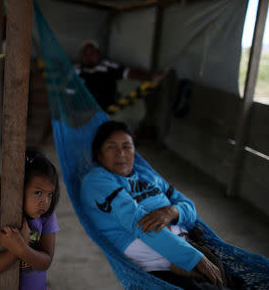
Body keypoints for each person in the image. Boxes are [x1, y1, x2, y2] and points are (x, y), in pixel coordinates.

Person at [80, 121, 243, 290]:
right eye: (111, 147)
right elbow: (139, 223)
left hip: (191, 248)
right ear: (99, 155)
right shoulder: (97, 180)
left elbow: (189, 207)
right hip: (159, 269)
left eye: (127, 146)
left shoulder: (147, 175)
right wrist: (195, 259)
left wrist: (172, 211)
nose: (121, 153)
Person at [0, 149, 60, 290]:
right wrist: (15, 249)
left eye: (49, 194)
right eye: (38, 193)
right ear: (18, 188)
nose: (45, 201)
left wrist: (22, 248)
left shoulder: (47, 216)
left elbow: (45, 262)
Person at [74, 40, 163, 111]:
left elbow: (128, 73)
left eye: (92, 53)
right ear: (82, 56)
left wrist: (150, 77)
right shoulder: (75, 70)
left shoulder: (108, 66)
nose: (89, 57)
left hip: (106, 110)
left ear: (98, 54)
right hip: (81, 111)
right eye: (86, 54)